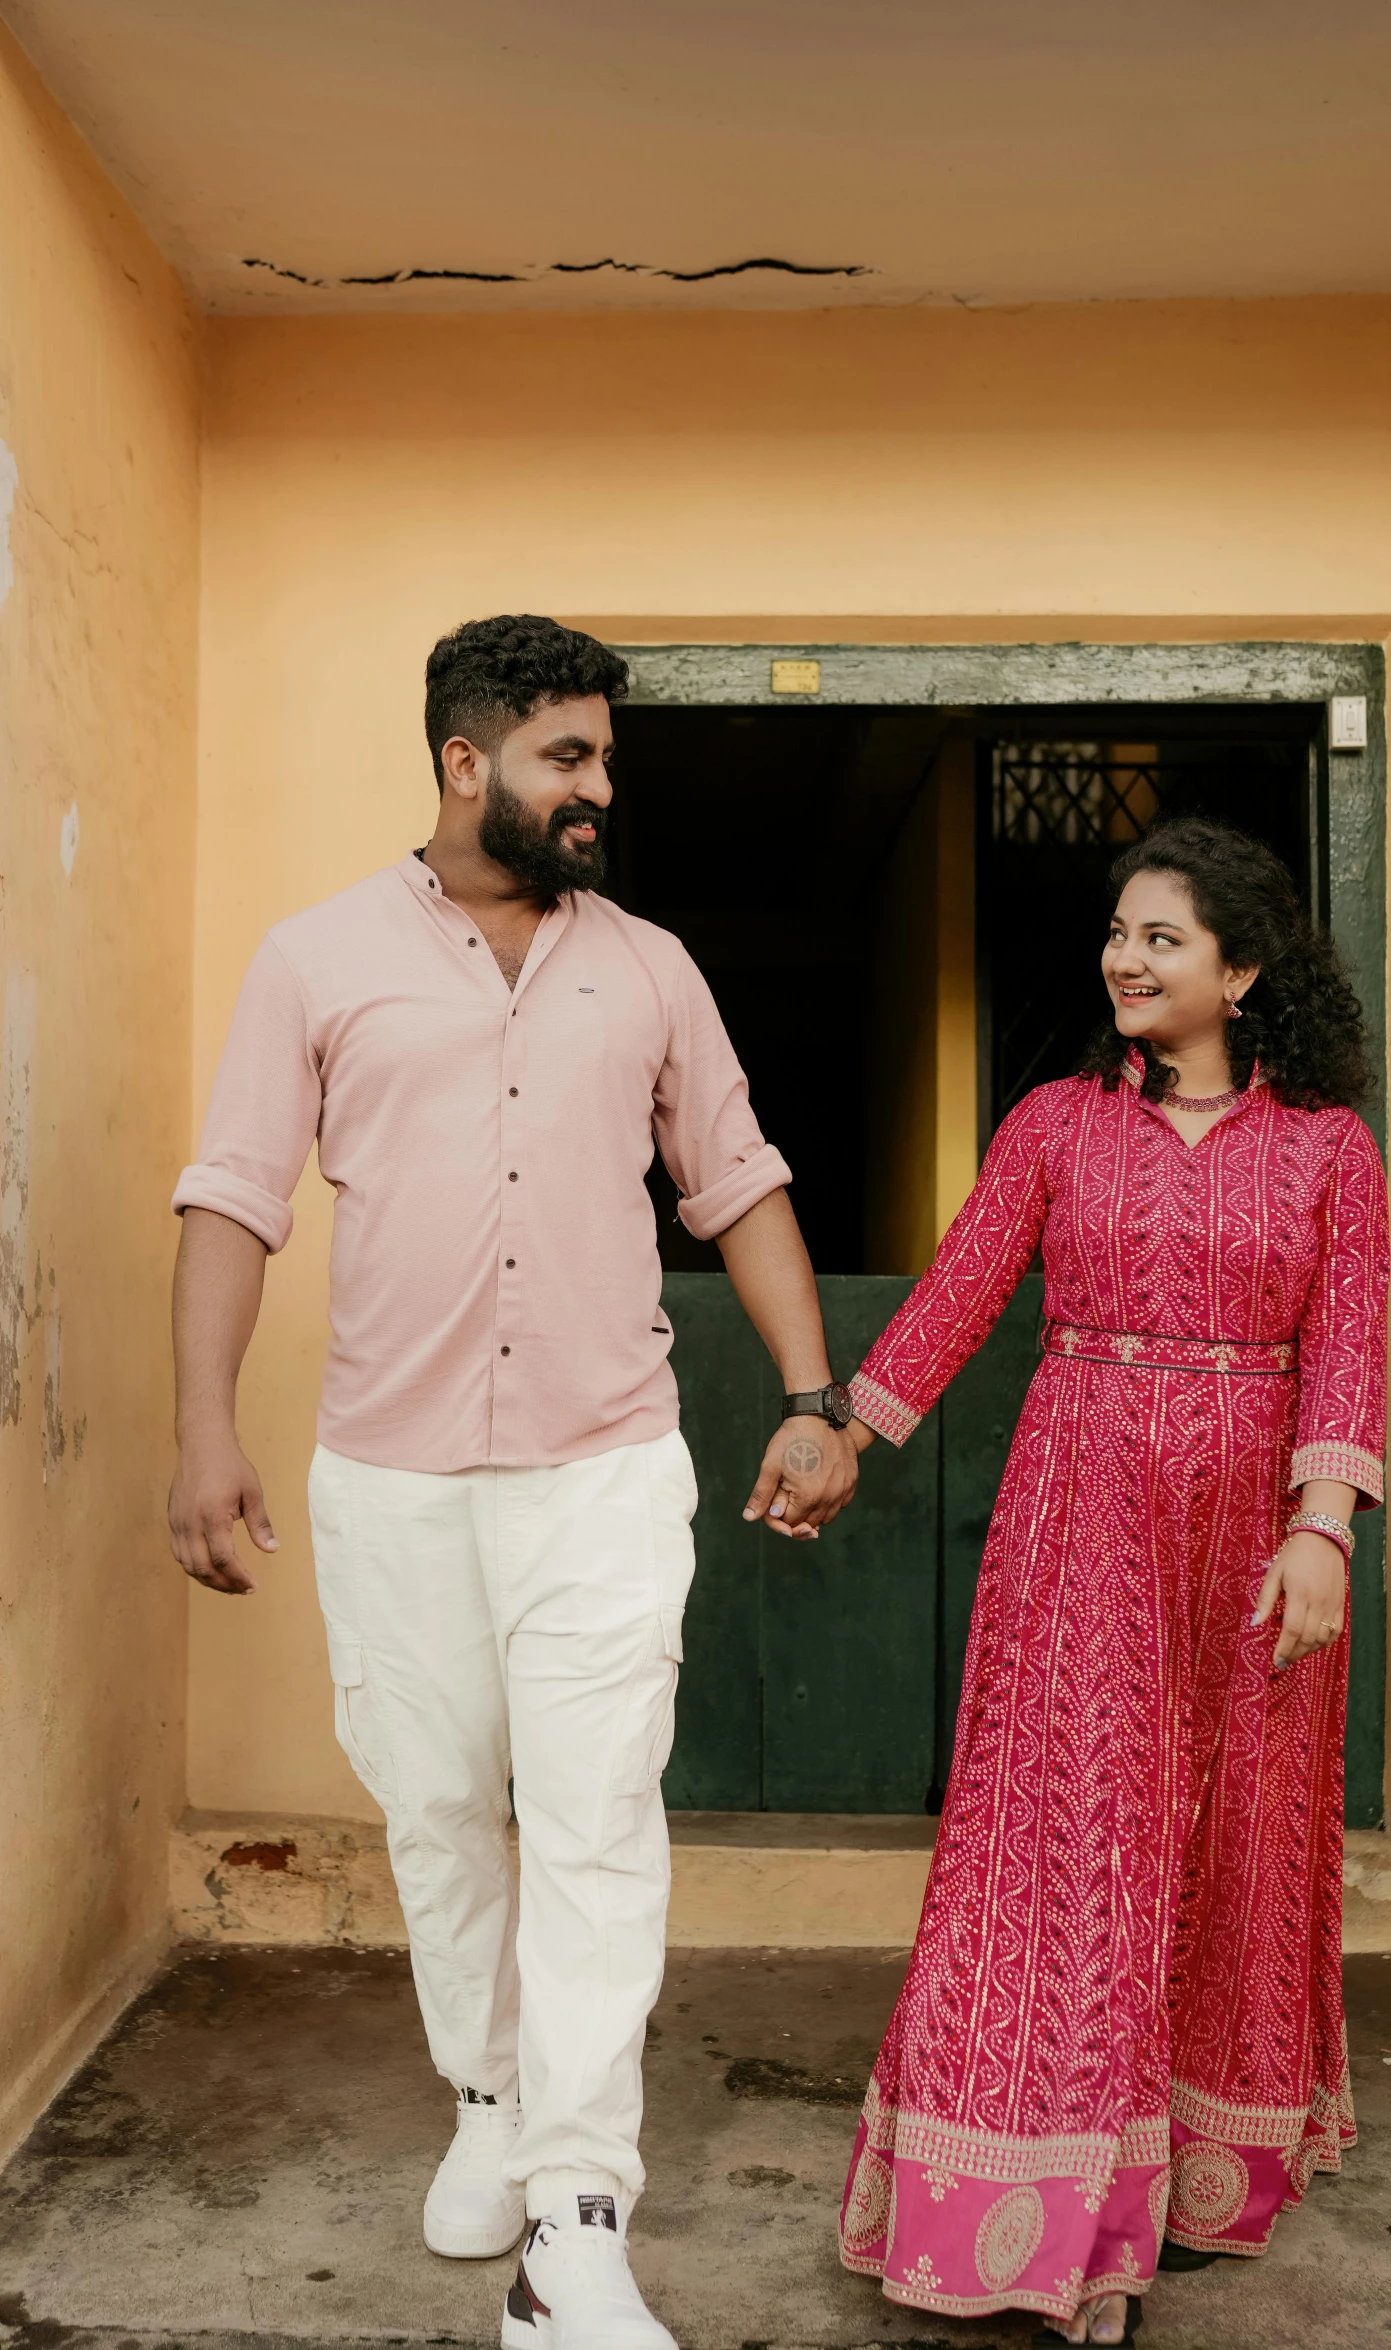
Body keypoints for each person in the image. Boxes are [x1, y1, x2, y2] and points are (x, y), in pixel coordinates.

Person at [167, 614, 861, 2350]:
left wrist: (810, 1391)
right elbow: (234, 1194)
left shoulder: (649, 966)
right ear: (465, 760)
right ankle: (485, 2101)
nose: (597, 789)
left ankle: (576, 2218)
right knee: (437, 1808)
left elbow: (738, 1178)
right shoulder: (314, 958)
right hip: (388, 1476)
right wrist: (199, 1427)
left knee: (598, 1821)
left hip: (603, 1470)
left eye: (602, 759)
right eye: (568, 757)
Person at [834, 818, 1388, 2347]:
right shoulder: (1057, 1125)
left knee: (1237, 1836)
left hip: (1257, 1538)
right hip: (1079, 1510)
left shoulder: (1326, 1146)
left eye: (1161, 937)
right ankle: (1047, 2217)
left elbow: (1346, 1342)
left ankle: (1193, 2182)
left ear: (1241, 967)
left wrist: (1322, 1529)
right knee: (1070, 1847)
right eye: (1117, 933)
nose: (1124, 959)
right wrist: (846, 1432)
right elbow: (955, 1292)